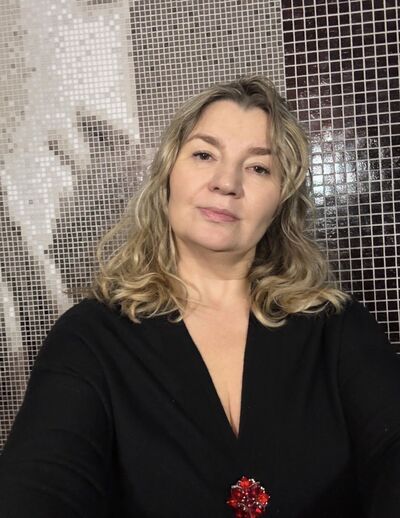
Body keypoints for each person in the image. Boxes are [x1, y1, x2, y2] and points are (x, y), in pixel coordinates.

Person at [0, 75, 399, 518]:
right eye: (204, 154)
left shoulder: (336, 329)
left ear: (281, 201)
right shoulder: (89, 339)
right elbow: (40, 485)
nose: (226, 182)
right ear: (168, 174)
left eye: (259, 167)